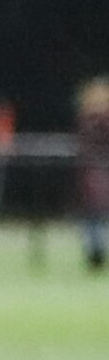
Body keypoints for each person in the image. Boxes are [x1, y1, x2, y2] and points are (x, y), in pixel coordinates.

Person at [77, 77, 109, 274]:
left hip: (95, 172)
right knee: (94, 216)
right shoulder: (89, 120)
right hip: (93, 173)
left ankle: (96, 254)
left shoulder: (89, 120)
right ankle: (95, 255)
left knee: (96, 217)